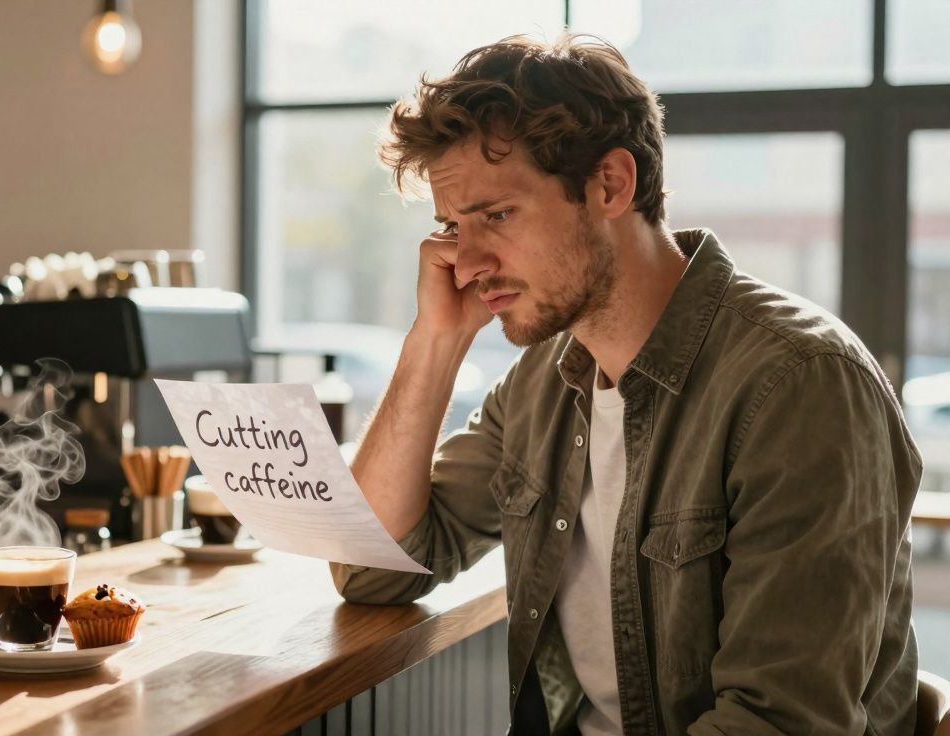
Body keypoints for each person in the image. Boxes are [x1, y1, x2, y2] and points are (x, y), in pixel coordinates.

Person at [332, 34, 921, 734]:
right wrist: (434, 343)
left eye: (496, 215)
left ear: (611, 184)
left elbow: (780, 723)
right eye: (451, 227)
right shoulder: (544, 381)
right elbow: (376, 570)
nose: (468, 261)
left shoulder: (800, 384)